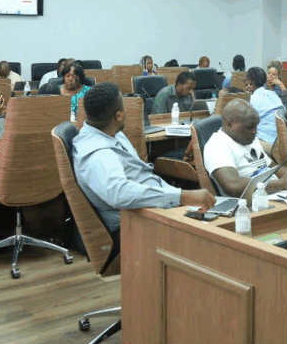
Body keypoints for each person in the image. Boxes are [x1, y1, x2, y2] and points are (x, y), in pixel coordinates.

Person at [73, 82, 215, 232]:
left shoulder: (111, 132)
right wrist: (182, 196)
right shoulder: (98, 154)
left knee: (219, 214)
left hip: (158, 206)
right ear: (118, 115)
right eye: (124, 107)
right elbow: (119, 194)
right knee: (216, 234)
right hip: (138, 221)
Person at [204, 99, 287, 195]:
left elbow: (274, 168)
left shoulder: (248, 139)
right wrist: (281, 184)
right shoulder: (217, 146)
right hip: (253, 203)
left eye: (256, 126)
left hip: (277, 194)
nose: (255, 132)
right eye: (250, 127)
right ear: (229, 124)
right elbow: (233, 185)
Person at [242, 67, 284, 146]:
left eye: (244, 80)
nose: (243, 83)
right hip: (283, 140)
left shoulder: (251, 100)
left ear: (250, 82)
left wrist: (245, 96)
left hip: (265, 142)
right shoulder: (273, 95)